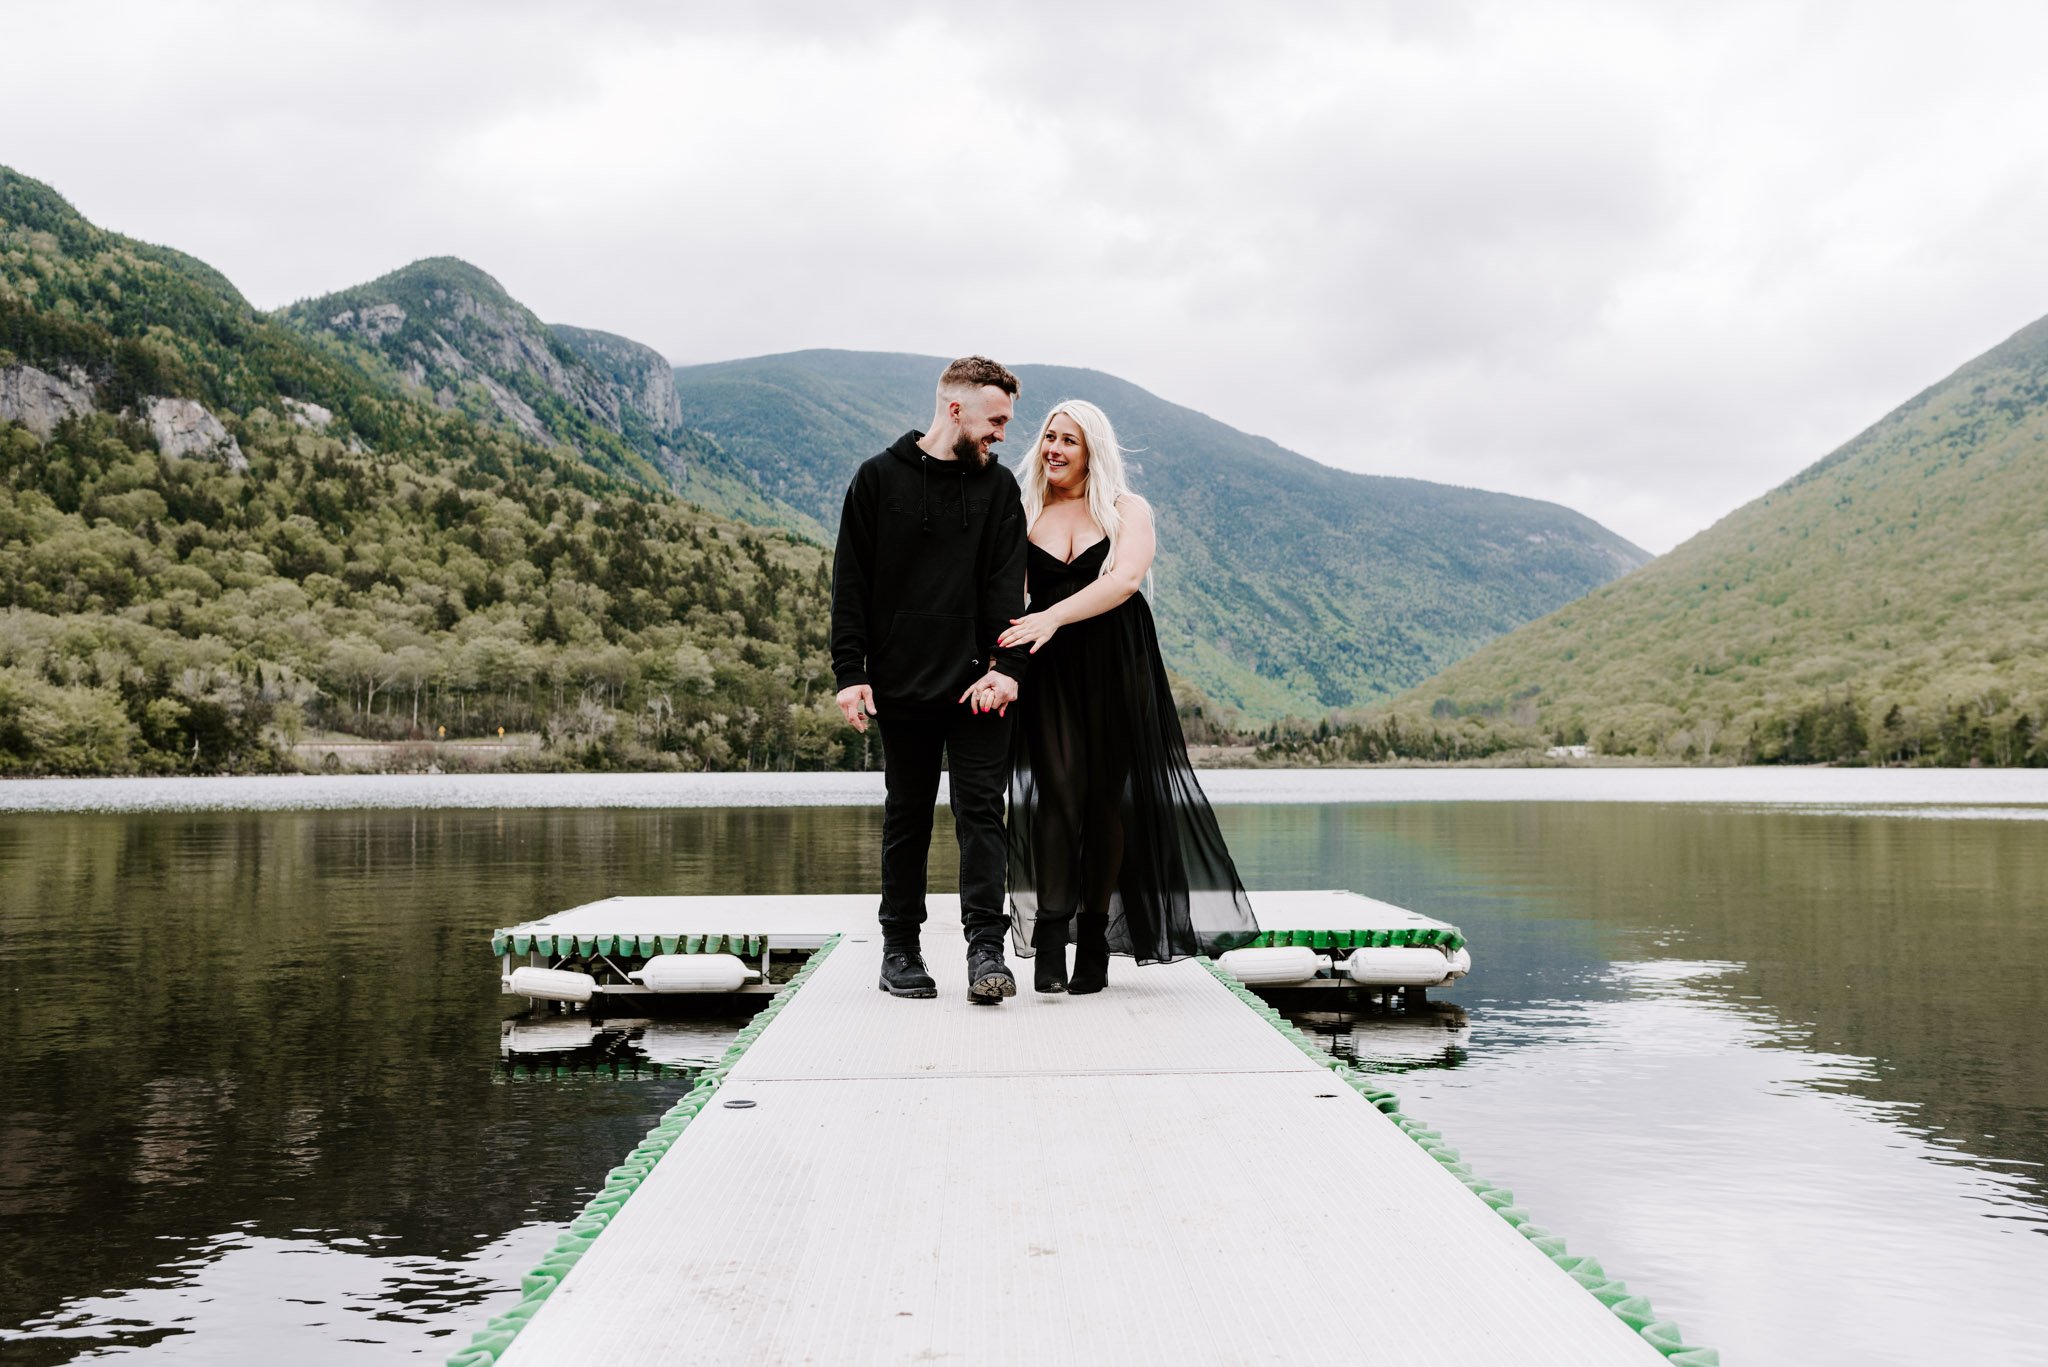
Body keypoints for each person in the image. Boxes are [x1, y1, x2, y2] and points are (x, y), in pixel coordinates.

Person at [998, 399, 1260, 993]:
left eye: (1068, 440)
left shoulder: (1126, 508)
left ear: (1093, 449)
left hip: (1117, 662)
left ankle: (1093, 937)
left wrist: (1049, 617)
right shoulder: (1024, 510)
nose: (1054, 449)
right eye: (1048, 438)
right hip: (1050, 670)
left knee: (1104, 803)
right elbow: (1011, 595)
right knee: (1058, 798)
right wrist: (1010, 652)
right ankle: (1048, 939)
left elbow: (1123, 581)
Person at [831, 356, 1032, 1005]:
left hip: (979, 686)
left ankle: (985, 952)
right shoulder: (878, 481)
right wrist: (850, 672)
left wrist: (1007, 670)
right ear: (956, 409)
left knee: (982, 815)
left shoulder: (1000, 491)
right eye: (996, 420)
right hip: (902, 682)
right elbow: (850, 584)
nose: (1002, 433)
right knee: (907, 817)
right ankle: (900, 950)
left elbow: (1009, 587)